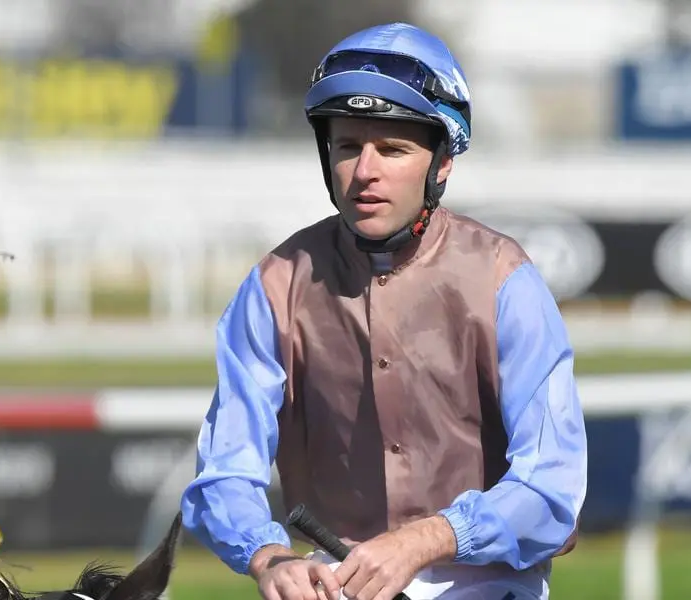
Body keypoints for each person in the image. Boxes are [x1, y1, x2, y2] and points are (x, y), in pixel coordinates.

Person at [181, 22, 588, 600]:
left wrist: (423, 540)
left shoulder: (506, 279)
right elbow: (225, 470)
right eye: (348, 146)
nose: (364, 171)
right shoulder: (274, 284)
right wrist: (268, 558)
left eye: (392, 149)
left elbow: (552, 487)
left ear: (441, 162)